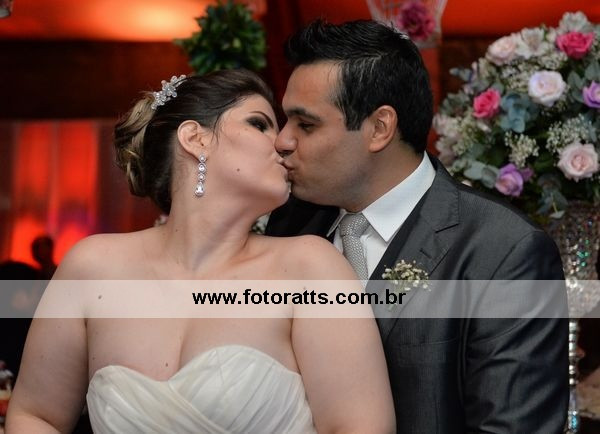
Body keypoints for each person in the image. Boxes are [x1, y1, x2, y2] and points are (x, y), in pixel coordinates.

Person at [6, 69, 395, 433]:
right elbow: (35, 416)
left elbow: (361, 427)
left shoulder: (310, 268)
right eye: (259, 124)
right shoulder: (92, 268)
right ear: (195, 138)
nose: (282, 143)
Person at [266, 19, 568, 433]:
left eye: (306, 125)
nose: (282, 141)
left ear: (379, 128)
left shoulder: (504, 251)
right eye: (284, 122)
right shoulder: (289, 225)